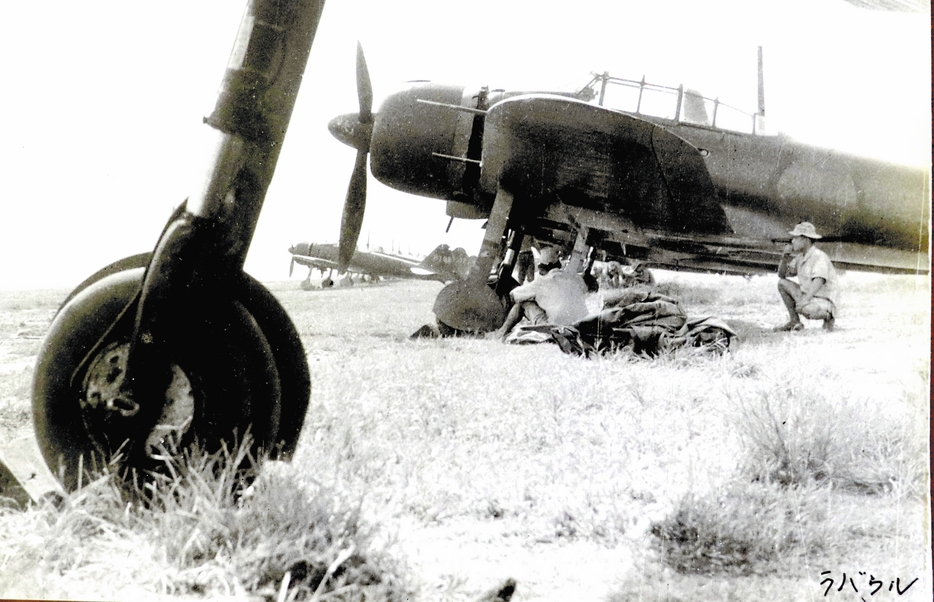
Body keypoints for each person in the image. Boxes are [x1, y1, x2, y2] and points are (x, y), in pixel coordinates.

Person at [492, 247, 589, 340]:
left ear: (541, 268)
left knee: (522, 304)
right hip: (579, 327)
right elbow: (585, 290)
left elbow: (514, 294)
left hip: (556, 328)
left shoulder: (542, 281)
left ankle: (500, 334)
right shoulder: (574, 278)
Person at [774, 222, 837, 332]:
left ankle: (829, 318)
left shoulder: (818, 256)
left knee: (806, 309)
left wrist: (805, 301)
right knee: (782, 283)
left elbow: (819, 280)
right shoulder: (800, 257)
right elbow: (782, 275)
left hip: (823, 299)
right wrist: (784, 257)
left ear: (805, 239)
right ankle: (794, 322)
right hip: (809, 295)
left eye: (795, 238)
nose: (792, 241)